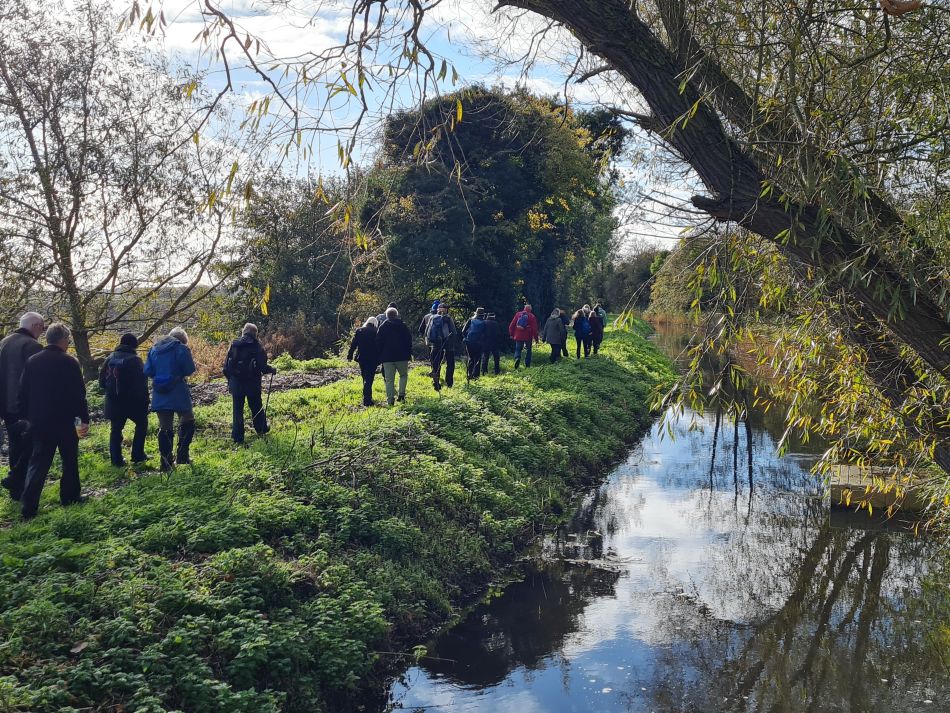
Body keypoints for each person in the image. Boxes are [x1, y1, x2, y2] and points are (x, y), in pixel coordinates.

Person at [18, 323, 89, 520]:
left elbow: (23, 392)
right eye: (68, 340)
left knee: (38, 463)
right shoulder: (70, 362)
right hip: (65, 422)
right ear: (63, 339)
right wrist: (84, 419)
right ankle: (70, 497)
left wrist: (26, 416)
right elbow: (79, 395)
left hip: (39, 421)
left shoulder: (32, 361)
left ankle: (29, 506)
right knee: (69, 461)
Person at [0, 312, 44, 501]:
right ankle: (21, 484)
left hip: (5, 405)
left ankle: (15, 489)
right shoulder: (32, 346)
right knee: (31, 447)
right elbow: (36, 380)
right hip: (24, 407)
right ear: (35, 326)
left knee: (15, 446)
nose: (42, 332)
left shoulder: (4, 342)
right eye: (41, 327)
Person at [144, 327, 196, 471]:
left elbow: (147, 371)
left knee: (165, 427)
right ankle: (182, 455)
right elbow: (189, 369)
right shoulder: (181, 349)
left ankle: (166, 463)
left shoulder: (154, 349)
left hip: (159, 393)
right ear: (183, 340)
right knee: (188, 419)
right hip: (178, 390)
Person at [98, 333, 149, 466]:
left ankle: (116, 460)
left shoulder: (110, 358)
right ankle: (138, 455)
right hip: (133, 403)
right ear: (134, 345)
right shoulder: (136, 360)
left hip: (113, 402)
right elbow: (141, 384)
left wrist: (111, 393)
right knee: (142, 424)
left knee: (115, 430)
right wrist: (145, 402)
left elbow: (101, 381)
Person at [223, 323, 277, 444]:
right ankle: (261, 429)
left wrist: (230, 381)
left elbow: (225, 368)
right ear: (255, 334)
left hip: (236, 384)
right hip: (252, 384)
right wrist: (272, 370)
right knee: (256, 407)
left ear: (244, 332)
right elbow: (263, 367)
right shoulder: (257, 347)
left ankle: (238, 437)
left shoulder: (234, 345)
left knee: (237, 410)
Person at [376, 307, 412, 405]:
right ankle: (401, 395)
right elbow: (409, 340)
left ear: (387, 316)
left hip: (387, 358)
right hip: (402, 356)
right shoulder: (403, 326)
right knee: (403, 375)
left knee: (389, 380)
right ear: (396, 315)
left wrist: (380, 356)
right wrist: (409, 353)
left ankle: (390, 400)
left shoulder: (383, 327)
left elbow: (378, 342)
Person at [420, 302, 458, 390]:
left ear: (437, 310)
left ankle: (436, 383)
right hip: (448, 343)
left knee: (435, 363)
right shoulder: (448, 318)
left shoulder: (432, 317)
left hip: (435, 343)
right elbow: (454, 332)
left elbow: (426, 332)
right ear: (446, 310)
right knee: (450, 363)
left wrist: (429, 343)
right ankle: (449, 383)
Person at [347, 316, 380, 406]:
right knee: (369, 378)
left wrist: (349, 355)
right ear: (375, 323)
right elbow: (380, 345)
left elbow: (354, 344)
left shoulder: (359, 330)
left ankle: (366, 397)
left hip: (361, 357)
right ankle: (367, 400)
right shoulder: (377, 331)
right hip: (373, 358)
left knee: (364, 377)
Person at [461, 307, 488, 380]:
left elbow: (463, 331)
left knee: (471, 358)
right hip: (479, 343)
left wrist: (466, 338)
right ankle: (476, 376)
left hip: (469, 342)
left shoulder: (470, 320)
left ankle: (469, 374)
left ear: (476, 313)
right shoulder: (484, 322)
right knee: (478, 359)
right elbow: (485, 334)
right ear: (483, 315)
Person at [508, 304, 539, 368]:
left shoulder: (518, 314)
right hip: (528, 336)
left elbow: (512, 325)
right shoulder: (532, 316)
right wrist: (536, 339)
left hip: (518, 335)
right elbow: (534, 329)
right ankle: (527, 365)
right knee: (528, 350)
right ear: (530, 310)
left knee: (518, 349)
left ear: (524, 308)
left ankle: (517, 358)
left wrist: (511, 334)